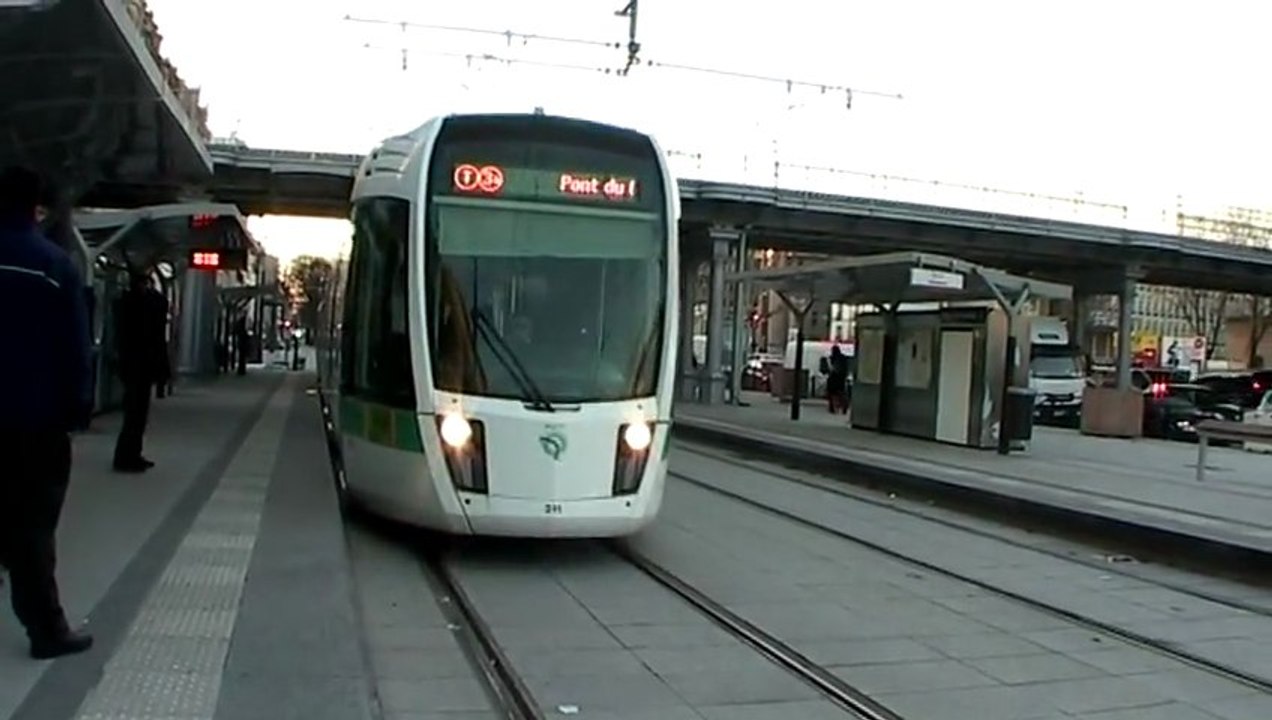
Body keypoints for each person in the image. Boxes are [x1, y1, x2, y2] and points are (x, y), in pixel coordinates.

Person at [0, 166, 95, 659]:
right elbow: (75, 350)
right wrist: (76, 409)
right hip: (35, 423)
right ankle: (46, 630)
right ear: (36, 207)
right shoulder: (54, 266)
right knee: (33, 528)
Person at [112, 270, 166, 472]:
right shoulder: (139, 306)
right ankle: (127, 456)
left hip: (132, 366)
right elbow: (158, 307)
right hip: (139, 367)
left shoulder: (125, 305)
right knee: (136, 415)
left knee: (135, 415)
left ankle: (131, 453)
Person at [825, 344, 850, 414]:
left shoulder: (832, 358)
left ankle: (832, 407)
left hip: (834, 377)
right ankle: (844, 405)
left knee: (831, 393)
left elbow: (831, 368)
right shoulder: (843, 358)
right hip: (841, 378)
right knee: (841, 393)